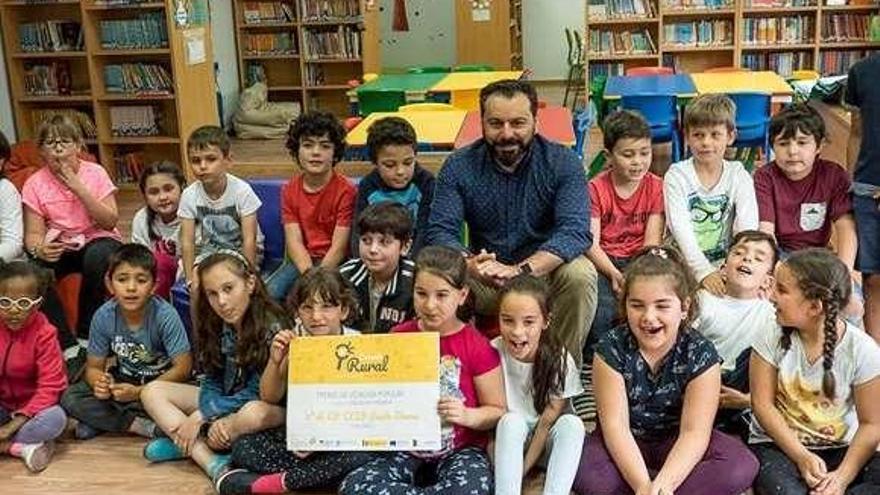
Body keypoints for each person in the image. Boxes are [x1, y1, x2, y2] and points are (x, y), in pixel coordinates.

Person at [426, 79, 597, 367]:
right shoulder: (458, 165)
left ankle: (560, 372)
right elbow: (440, 231)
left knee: (581, 273)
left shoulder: (563, 162)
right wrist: (469, 263)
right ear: (481, 122)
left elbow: (575, 232)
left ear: (535, 121)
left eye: (518, 123)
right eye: (496, 123)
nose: (507, 133)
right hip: (484, 279)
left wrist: (522, 269)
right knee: (434, 274)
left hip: (542, 274)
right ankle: (459, 371)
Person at [572, 246, 759, 495]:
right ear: (624, 306)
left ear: (684, 308)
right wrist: (641, 485)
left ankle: (659, 486)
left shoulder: (701, 352)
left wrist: (664, 485)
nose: (649, 317)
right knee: (585, 470)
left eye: (662, 306)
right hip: (626, 440)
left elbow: (695, 432)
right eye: (637, 305)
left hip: (677, 440)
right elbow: (616, 428)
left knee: (741, 465)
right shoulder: (611, 347)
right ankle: (646, 484)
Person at [339, 246, 506, 495]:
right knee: (353, 486)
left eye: (442, 295)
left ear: (461, 295)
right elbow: (376, 394)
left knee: (473, 489)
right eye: (421, 294)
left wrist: (467, 415)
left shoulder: (476, 345)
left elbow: (497, 410)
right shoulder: (398, 337)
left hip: (460, 448)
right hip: (404, 446)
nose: (430, 305)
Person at [216, 267, 379, 494]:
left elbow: (365, 410)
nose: (316, 316)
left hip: (342, 437)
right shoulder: (294, 340)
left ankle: (281, 482)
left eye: (327, 307)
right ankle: (317, 476)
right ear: (297, 312)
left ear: (343, 310)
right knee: (244, 448)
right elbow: (269, 397)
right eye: (307, 307)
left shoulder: (357, 343)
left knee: (366, 455)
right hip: (297, 433)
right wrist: (276, 362)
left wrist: (326, 439)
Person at [140, 251, 289, 483]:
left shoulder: (272, 324)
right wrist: (208, 410)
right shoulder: (214, 321)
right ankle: (207, 457)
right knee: (152, 391)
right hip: (224, 401)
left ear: (250, 284)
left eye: (228, 289)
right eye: (212, 294)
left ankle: (188, 442)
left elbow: (259, 392)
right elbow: (211, 376)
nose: (221, 301)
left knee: (253, 413)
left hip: (261, 407)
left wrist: (204, 414)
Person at [749, 248, 880, 494]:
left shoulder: (864, 350)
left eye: (782, 290)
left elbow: (872, 424)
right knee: (781, 489)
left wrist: (841, 478)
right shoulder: (770, 333)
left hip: (844, 448)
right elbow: (762, 405)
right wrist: (801, 456)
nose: (771, 297)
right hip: (781, 445)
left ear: (814, 307)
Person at [61, 244, 192, 440]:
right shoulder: (103, 315)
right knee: (70, 398)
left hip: (161, 384)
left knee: (184, 398)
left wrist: (140, 392)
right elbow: (94, 368)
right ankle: (140, 426)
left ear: (154, 285)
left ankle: (107, 422)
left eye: (141, 280)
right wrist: (101, 384)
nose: (131, 288)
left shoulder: (165, 315)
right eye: (122, 280)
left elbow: (183, 368)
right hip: (124, 381)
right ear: (110, 283)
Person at [585, 109, 664, 399]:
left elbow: (652, 240)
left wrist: (633, 276)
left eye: (644, 153)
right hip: (604, 261)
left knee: (644, 302)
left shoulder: (656, 186)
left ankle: (640, 364)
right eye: (628, 154)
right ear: (608, 155)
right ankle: (595, 367)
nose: (638, 162)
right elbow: (590, 243)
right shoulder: (595, 189)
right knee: (603, 310)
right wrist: (613, 273)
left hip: (640, 260)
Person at [21, 116, 123, 338]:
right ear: (41, 151)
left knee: (97, 257)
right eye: (50, 143)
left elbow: (110, 220)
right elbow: (33, 234)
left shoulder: (95, 172)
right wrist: (39, 249)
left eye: (65, 141)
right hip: (61, 244)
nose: (58, 148)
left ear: (78, 146)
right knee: (35, 271)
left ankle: (88, 335)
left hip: (98, 238)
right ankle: (65, 342)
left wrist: (79, 189)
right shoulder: (34, 183)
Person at [492, 275, 585, 495]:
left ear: (546, 321)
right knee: (510, 421)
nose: (517, 331)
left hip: (544, 441)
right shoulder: (492, 352)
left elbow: (545, 424)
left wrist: (523, 470)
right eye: (508, 320)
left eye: (528, 322)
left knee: (573, 424)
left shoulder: (559, 359)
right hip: (508, 441)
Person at [0, 129, 79, 375]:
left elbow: (13, 241)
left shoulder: (5, 190)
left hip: (7, 261)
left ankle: (70, 350)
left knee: (36, 275)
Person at [664, 93, 759, 296]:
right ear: (687, 137)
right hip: (681, 262)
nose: (706, 142)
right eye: (698, 135)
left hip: (725, 263)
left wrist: (733, 268)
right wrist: (703, 272)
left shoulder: (738, 175)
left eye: (715, 135)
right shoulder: (677, 175)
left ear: (731, 136)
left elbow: (747, 228)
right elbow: (680, 228)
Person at [693, 230, 777, 439]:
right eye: (739, 253)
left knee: (756, 354)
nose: (747, 258)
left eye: (758, 258)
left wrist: (749, 399)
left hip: (744, 389)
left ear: (768, 281)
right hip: (701, 381)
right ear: (722, 269)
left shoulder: (771, 314)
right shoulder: (703, 301)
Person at [264, 111, 356, 301]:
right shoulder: (289, 190)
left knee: (342, 296)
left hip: (336, 261)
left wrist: (319, 278)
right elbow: (294, 242)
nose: (315, 152)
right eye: (307, 145)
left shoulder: (346, 190)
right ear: (296, 150)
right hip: (302, 262)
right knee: (270, 295)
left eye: (325, 146)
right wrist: (309, 277)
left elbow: (339, 247)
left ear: (335, 152)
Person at [178, 125, 264, 312]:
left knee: (232, 283)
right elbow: (187, 241)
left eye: (210, 159)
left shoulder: (242, 191)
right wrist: (189, 278)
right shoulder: (189, 195)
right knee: (196, 288)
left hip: (242, 249)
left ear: (228, 160)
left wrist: (248, 272)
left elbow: (250, 239)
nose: (202, 166)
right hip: (211, 249)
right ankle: (200, 336)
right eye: (195, 160)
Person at [0, 261, 67, 472]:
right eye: (4, 302)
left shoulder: (45, 334)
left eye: (23, 303)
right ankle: (17, 448)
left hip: (35, 410)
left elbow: (51, 387)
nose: (13, 311)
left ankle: (13, 442)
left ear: (37, 304)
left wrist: (15, 423)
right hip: (2, 407)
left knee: (56, 419)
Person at [350, 116, 435, 257]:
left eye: (408, 163)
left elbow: (425, 230)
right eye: (390, 165)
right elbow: (358, 231)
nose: (400, 171)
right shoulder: (368, 186)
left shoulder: (426, 182)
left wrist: (410, 262)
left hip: (415, 257)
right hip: (376, 255)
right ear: (375, 162)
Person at [339, 202, 416, 333]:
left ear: (405, 247)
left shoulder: (416, 280)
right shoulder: (343, 276)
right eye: (366, 240)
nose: (373, 250)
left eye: (384, 242)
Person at [845, 53, 880, 339]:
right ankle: (875, 358)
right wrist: (851, 182)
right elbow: (856, 131)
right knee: (873, 279)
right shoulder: (862, 71)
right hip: (868, 188)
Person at [131, 161, 187, 300]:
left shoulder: (192, 217)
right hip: (150, 280)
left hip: (185, 278)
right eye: (154, 192)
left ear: (182, 188)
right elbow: (138, 260)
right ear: (145, 196)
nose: (162, 197)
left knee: (159, 261)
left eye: (168, 189)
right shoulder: (141, 218)